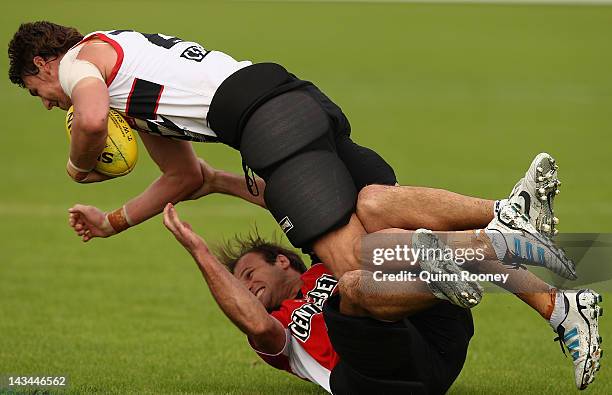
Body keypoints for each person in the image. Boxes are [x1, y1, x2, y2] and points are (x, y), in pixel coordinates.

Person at [8, 21, 598, 388]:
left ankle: (490, 246)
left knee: (356, 278)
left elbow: (86, 119)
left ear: (41, 65)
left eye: (39, 95)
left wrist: (78, 164)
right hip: (291, 95)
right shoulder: (130, 80)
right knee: (376, 211)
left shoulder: (82, 61)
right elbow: (185, 175)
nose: (48, 105)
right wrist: (113, 222)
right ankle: (549, 286)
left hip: (263, 126)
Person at [162, 203, 602, 393]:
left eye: (247, 274)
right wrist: (200, 252)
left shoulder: (323, 261)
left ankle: (556, 305)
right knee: (353, 286)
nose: (244, 287)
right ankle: (483, 249)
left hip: (430, 339)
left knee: (373, 225)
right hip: (374, 382)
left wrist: (216, 178)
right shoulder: (274, 332)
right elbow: (254, 323)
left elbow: (280, 194)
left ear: (281, 261)